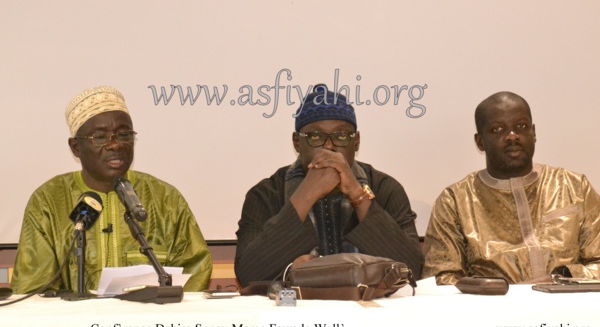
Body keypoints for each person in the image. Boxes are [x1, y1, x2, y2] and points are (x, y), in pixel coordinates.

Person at [11, 86, 212, 294]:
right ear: (76, 148)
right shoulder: (49, 201)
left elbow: (194, 271)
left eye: (124, 135)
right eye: (100, 137)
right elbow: (33, 287)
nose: (115, 145)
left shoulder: (165, 198)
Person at [235, 84, 423, 287]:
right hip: (295, 312)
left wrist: (357, 195)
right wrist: (306, 194)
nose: (329, 146)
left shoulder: (385, 188)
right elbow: (248, 275)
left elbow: (412, 269)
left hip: (368, 311)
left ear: (356, 142)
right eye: (315, 137)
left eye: (341, 135)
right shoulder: (265, 194)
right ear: (297, 143)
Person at [423, 91, 600, 285]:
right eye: (498, 129)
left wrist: (563, 277)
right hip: (493, 311)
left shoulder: (573, 187)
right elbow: (441, 280)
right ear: (480, 142)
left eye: (521, 127)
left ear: (534, 133)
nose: (512, 136)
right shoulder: (455, 201)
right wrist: (503, 293)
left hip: (572, 308)